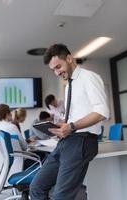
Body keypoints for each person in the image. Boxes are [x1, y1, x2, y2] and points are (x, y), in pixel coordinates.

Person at [30, 44, 109, 200]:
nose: (57, 72)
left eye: (58, 66)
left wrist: (71, 127)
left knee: (61, 196)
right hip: (66, 141)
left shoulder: (89, 77)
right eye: (53, 70)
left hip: (82, 140)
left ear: (69, 58)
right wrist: (62, 128)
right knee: (36, 187)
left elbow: (102, 112)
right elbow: (74, 116)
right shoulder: (68, 86)